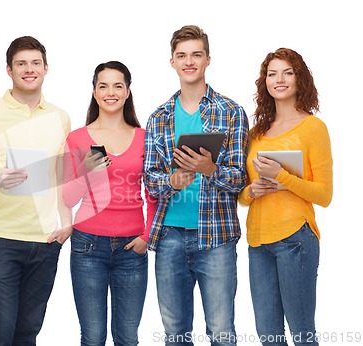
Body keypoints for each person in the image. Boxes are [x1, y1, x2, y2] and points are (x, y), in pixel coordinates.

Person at [143, 25, 249, 345]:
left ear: (207, 60)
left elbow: (240, 179)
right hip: (169, 237)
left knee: (221, 331)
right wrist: (172, 181)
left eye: (196, 55)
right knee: (175, 334)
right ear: (172, 62)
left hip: (216, 237)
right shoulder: (158, 117)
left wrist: (210, 169)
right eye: (182, 55)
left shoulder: (231, 112)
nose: (189, 61)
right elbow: (150, 178)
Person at [0, 36, 72, 346]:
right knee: (1, 327)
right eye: (22, 64)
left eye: (35, 63)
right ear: (9, 70)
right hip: (1, 237)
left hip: (46, 239)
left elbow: (63, 176)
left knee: (28, 331)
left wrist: (67, 222)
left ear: (46, 68)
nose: (29, 69)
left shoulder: (60, 117)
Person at [238, 48, 333, 346]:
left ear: (299, 78)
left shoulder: (313, 128)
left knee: (302, 333)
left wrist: (282, 176)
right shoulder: (255, 134)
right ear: (264, 81)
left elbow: (325, 195)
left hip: (296, 240)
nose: (279, 80)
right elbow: (241, 195)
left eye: (287, 72)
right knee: (269, 337)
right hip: (258, 242)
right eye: (272, 73)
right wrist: (251, 191)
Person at [63, 61, 157, 346]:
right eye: (103, 86)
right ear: (94, 92)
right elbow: (68, 198)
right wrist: (87, 172)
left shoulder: (145, 138)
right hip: (88, 246)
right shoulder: (78, 138)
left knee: (127, 338)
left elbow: (153, 194)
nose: (110, 92)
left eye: (118, 86)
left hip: (132, 248)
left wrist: (146, 237)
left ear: (128, 92)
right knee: (92, 338)